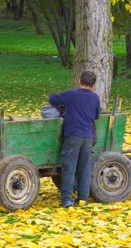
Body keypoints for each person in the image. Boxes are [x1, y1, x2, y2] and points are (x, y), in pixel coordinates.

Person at [49, 71, 101, 208]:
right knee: (84, 168)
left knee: (69, 167)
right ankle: (82, 198)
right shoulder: (95, 98)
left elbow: (53, 98)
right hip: (88, 137)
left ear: (79, 81)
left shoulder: (71, 95)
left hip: (73, 135)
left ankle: (67, 199)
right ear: (94, 84)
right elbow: (96, 115)